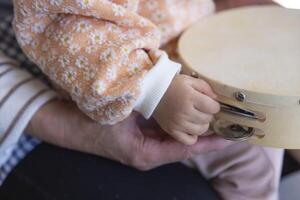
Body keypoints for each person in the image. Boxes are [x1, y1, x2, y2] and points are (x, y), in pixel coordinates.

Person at [1, 0, 283, 199]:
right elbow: (72, 32)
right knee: (250, 158)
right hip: (144, 90)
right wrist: (154, 88)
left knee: (271, 131)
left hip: (198, 46)